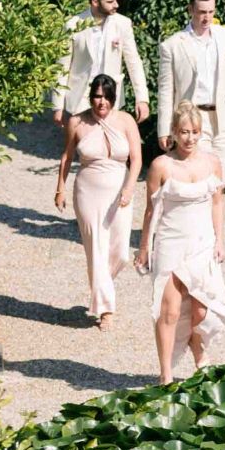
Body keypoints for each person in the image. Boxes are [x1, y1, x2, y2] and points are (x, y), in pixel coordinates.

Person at [138, 100, 225, 381]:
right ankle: (165, 375)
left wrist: (219, 240)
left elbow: (217, 203)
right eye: (184, 132)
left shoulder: (212, 162)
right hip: (171, 242)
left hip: (201, 240)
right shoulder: (161, 165)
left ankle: (196, 346)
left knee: (202, 308)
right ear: (174, 132)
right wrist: (144, 247)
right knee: (170, 310)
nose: (190, 138)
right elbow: (151, 209)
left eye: (195, 132)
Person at [53, 72, 141, 330]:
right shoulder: (78, 122)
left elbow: (136, 159)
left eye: (105, 97)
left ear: (113, 98)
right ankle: (106, 309)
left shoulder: (125, 121)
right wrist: (60, 188)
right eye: (96, 97)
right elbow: (67, 157)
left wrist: (129, 187)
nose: (100, 102)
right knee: (96, 248)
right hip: (88, 191)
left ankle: (101, 288)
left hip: (119, 190)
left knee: (121, 252)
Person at [156, 0, 225, 160]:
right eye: (202, 12)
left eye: (211, 12)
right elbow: (166, 90)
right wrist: (164, 129)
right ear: (190, 10)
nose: (207, 17)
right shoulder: (172, 45)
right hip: (192, 117)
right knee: (200, 171)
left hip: (222, 115)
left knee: (221, 175)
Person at [54, 0, 150, 131]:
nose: (116, 5)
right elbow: (62, 66)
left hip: (111, 96)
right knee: (84, 149)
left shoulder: (123, 24)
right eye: (110, 2)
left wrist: (142, 99)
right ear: (94, 2)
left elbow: (134, 63)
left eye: (116, 0)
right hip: (80, 98)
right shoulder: (73, 25)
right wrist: (57, 106)